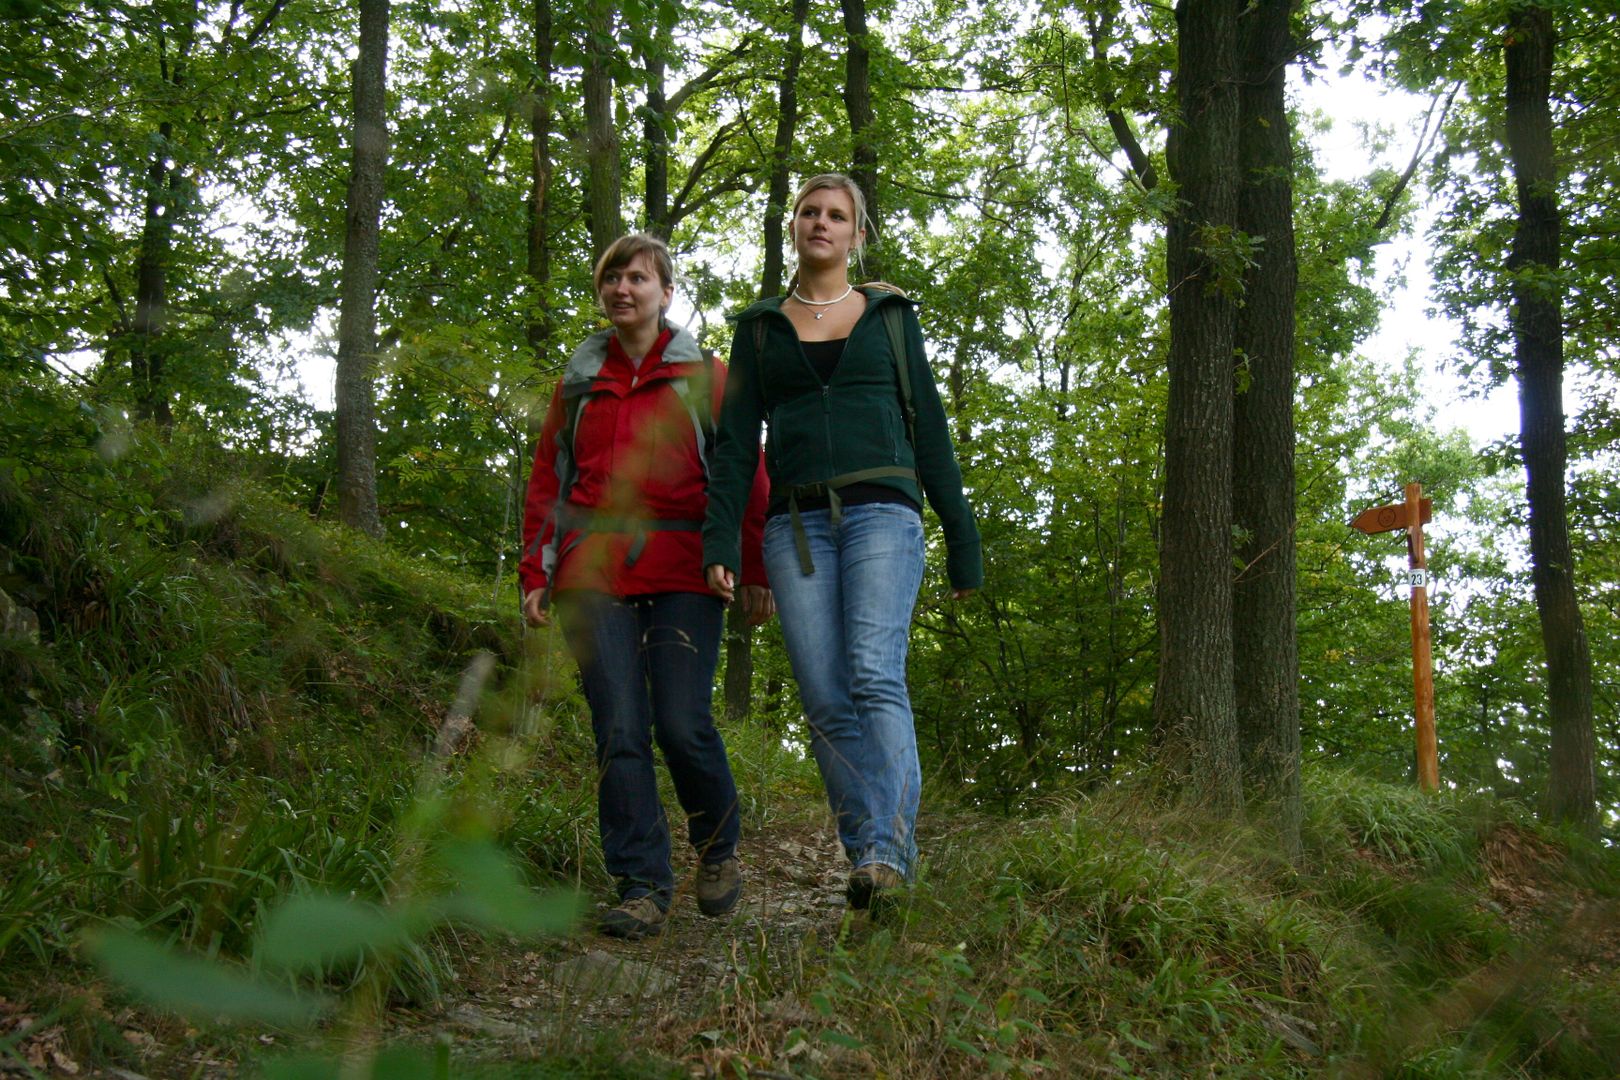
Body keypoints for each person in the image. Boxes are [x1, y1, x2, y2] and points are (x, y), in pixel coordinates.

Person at [702, 174, 981, 911]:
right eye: (809, 211)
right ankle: (868, 857)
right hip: (794, 528)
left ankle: (889, 852)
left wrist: (962, 537)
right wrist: (723, 540)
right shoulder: (759, 329)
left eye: (836, 215)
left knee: (872, 674)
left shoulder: (889, 316)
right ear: (792, 225)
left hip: (883, 513)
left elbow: (930, 426)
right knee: (825, 698)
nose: (820, 222)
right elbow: (736, 447)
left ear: (857, 235)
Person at [519, 233, 772, 940]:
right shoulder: (576, 385)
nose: (622, 289)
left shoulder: (708, 378)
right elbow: (549, 482)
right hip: (591, 573)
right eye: (612, 279)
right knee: (619, 728)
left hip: (685, 568)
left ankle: (717, 846)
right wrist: (537, 571)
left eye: (637, 278)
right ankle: (641, 886)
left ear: (666, 292)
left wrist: (754, 567)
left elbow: (745, 475)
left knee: (682, 723)